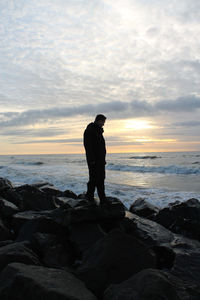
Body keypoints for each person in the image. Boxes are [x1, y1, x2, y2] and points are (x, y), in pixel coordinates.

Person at [83, 114, 108, 205]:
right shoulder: (90, 131)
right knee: (94, 179)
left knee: (100, 178)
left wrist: (103, 159)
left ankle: (99, 197)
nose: (104, 124)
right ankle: (92, 197)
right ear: (98, 120)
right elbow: (88, 146)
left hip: (100, 160)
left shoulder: (98, 131)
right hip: (94, 161)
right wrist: (92, 160)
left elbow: (101, 148)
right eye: (103, 122)